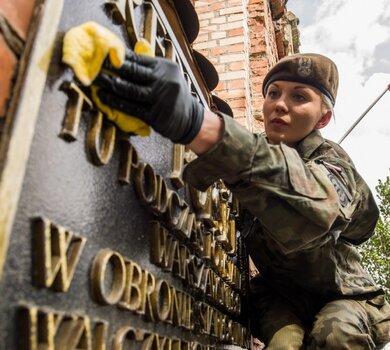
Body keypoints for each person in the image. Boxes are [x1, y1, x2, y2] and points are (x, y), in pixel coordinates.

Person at [94, 52, 390, 349]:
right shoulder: (250, 153)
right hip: (279, 297)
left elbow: (321, 207)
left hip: (345, 298)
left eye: (299, 97)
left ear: (322, 118)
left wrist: (202, 126)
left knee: (336, 335)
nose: (280, 104)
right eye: (273, 93)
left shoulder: (332, 160)